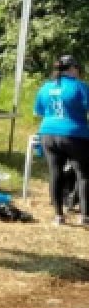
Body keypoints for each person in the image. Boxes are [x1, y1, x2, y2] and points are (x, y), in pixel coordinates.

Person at [33, 54, 89, 226]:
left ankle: (58, 216)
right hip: (74, 134)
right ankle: (85, 216)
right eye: (77, 68)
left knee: (55, 173)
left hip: (48, 133)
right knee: (84, 174)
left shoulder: (46, 87)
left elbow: (38, 112)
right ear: (72, 69)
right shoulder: (80, 87)